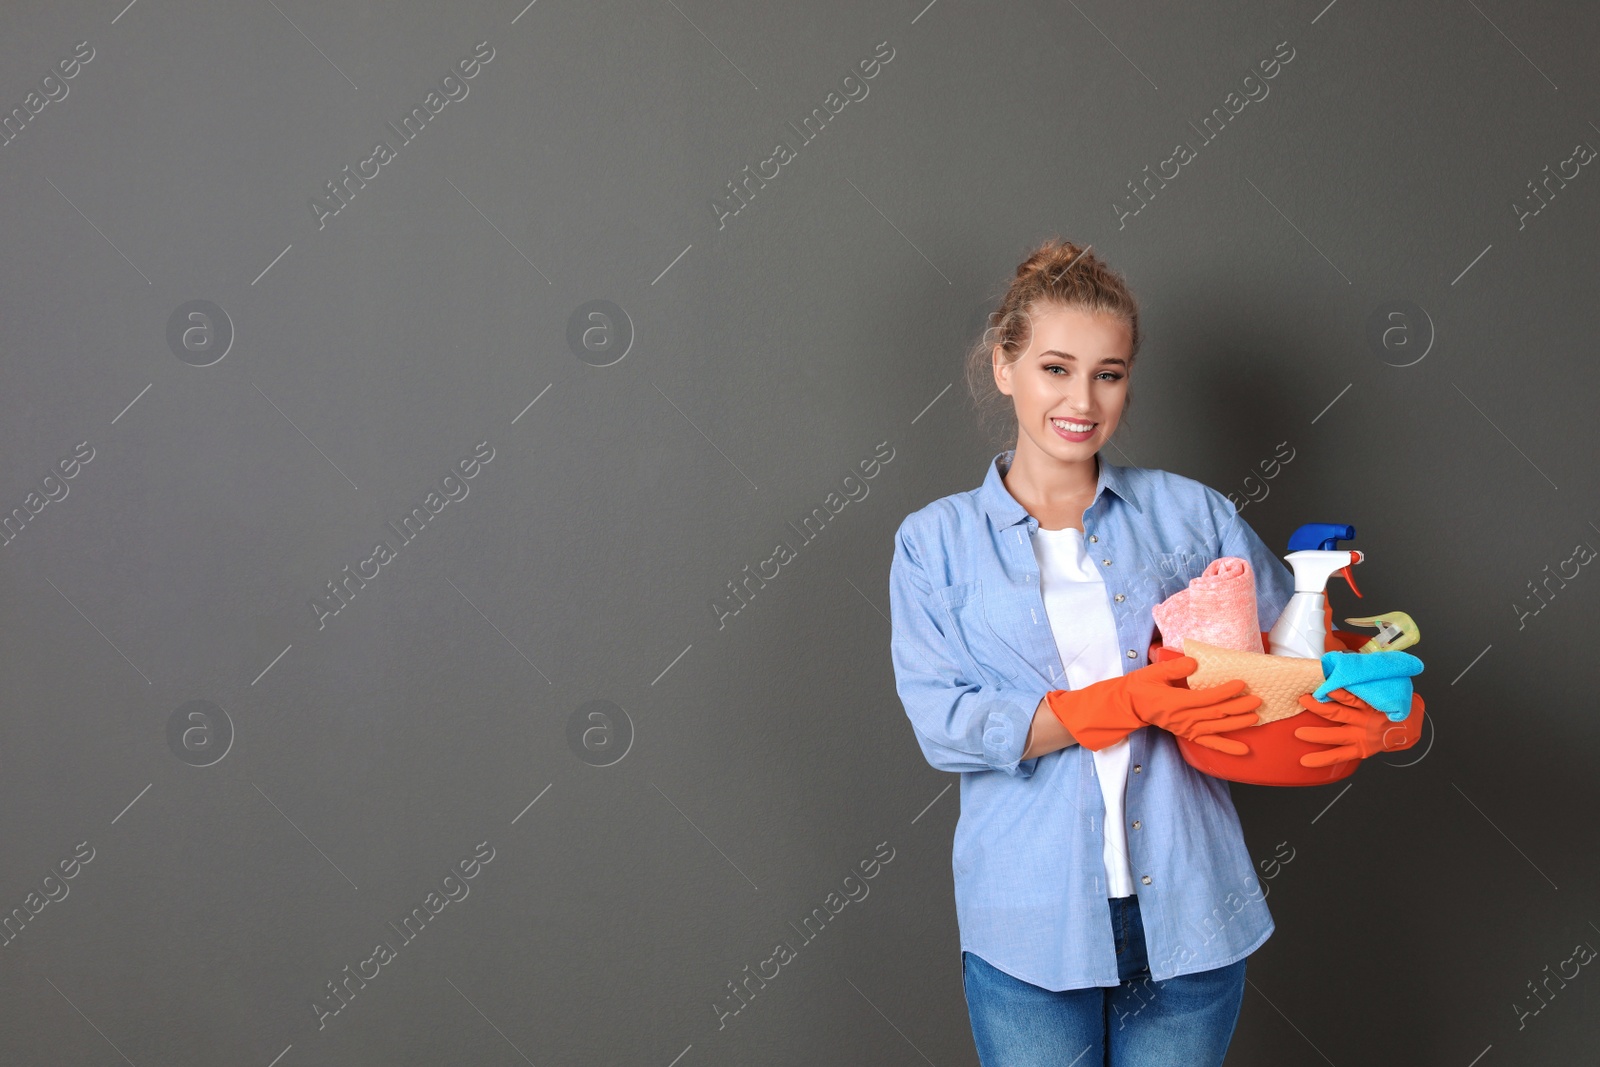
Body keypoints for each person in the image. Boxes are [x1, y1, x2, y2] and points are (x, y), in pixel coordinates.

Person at [887, 239, 1383, 1065]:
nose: (1082, 399)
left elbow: (1307, 661)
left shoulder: (1193, 518)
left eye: (1108, 373)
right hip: (1028, 931)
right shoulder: (934, 543)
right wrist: (1131, 701)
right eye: (1055, 368)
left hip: (1193, 914)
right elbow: (948, 726)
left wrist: (1389, 712)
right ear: (1003, 365)